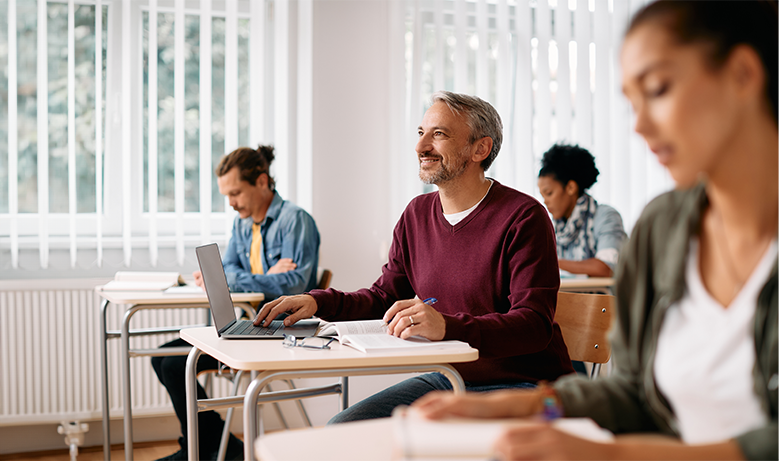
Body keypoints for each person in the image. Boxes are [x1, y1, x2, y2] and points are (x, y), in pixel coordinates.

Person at [413, 1, 778, 460]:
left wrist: (618, 455)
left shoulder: (533, 217)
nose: (641, 125)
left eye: (659, 89)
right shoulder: (664, 227)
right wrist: (530, 404)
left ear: (743, 75)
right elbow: (630, 393)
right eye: (632, 103)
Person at [254, 91, 574, 424]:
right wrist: (317, 302)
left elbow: (534, 325)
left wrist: (446, 326)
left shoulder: (524, 217)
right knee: (344, 428)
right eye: (421, 133)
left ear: (481, 149)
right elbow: (385, 296)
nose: (421, 147)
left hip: (524, 385)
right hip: (450, 377)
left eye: (439, 134)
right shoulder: (416, 214)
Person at [152, 145, 321, 461]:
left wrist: (243, 278)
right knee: (163, 358)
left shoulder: (295, 220)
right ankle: (215, 447)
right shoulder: (243, 223)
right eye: (226, 195)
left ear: (261, 181)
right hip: (250, 324)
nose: (230, 203)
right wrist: (264, 275)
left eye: (236, 193)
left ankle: (205, 448)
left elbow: (296, 285)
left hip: (281, 332)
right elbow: (228, 269)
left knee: (176, 364)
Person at [537, 143, 627, 277]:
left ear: (571, 188)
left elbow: (606, 267)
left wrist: (549, 262)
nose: (545, 201)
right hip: (568, 297)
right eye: (542, 196)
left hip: (602, 297)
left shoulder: (606, 216)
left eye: (549, 193)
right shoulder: (554, 227)